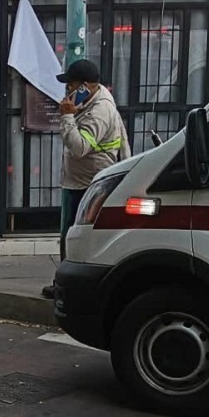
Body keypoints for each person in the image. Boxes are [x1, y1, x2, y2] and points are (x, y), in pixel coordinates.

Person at [42, 59, 130, 300]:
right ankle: (65, 284)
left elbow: (79, 147)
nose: (67, 91)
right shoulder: (90, 101)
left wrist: (67, 117)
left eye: (70, 85)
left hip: (89, 185)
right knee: (70, 236)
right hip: (80, 181)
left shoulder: (99, 111)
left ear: (84, 86)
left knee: (75, 238)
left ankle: (69, 288)